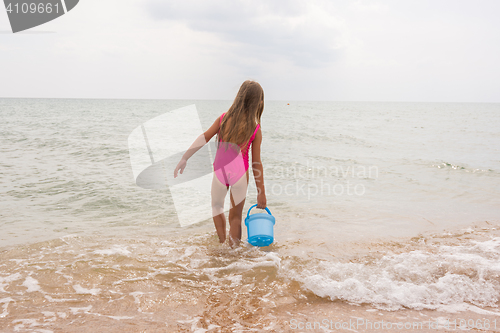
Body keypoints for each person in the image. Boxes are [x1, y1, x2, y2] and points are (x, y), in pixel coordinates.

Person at [174, 80, 267, 247]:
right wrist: (261, 192)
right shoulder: (255, 128)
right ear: (257, 102)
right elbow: (256, 163)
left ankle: (222, 243)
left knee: (217, 207)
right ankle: (233, 252)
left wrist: (185, 157)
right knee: (236, 217)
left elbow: (204, 137)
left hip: (220, 173)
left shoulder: (224, 119)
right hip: (240, 174)